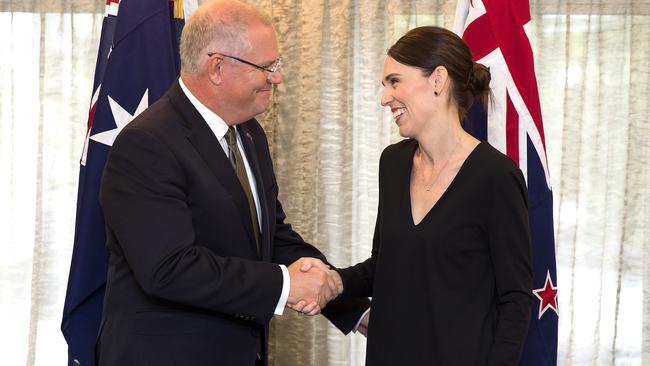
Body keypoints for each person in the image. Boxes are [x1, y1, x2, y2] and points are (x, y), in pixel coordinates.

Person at [96, 1, 369, 365]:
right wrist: (287, 285)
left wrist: (350, 307)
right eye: (267, 66)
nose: (277, 77)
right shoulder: (147, 143)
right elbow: (169, 268)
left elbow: (270, 237)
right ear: (218, 67)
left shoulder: (249, 134)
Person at [336, 26, 533, 365]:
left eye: (394, 81)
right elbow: (384, 265)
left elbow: (515, 299)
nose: (384, 98)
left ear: (438, 80)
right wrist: (328, 281)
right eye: (384, 85)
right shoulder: (393, 162)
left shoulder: (497, 176)